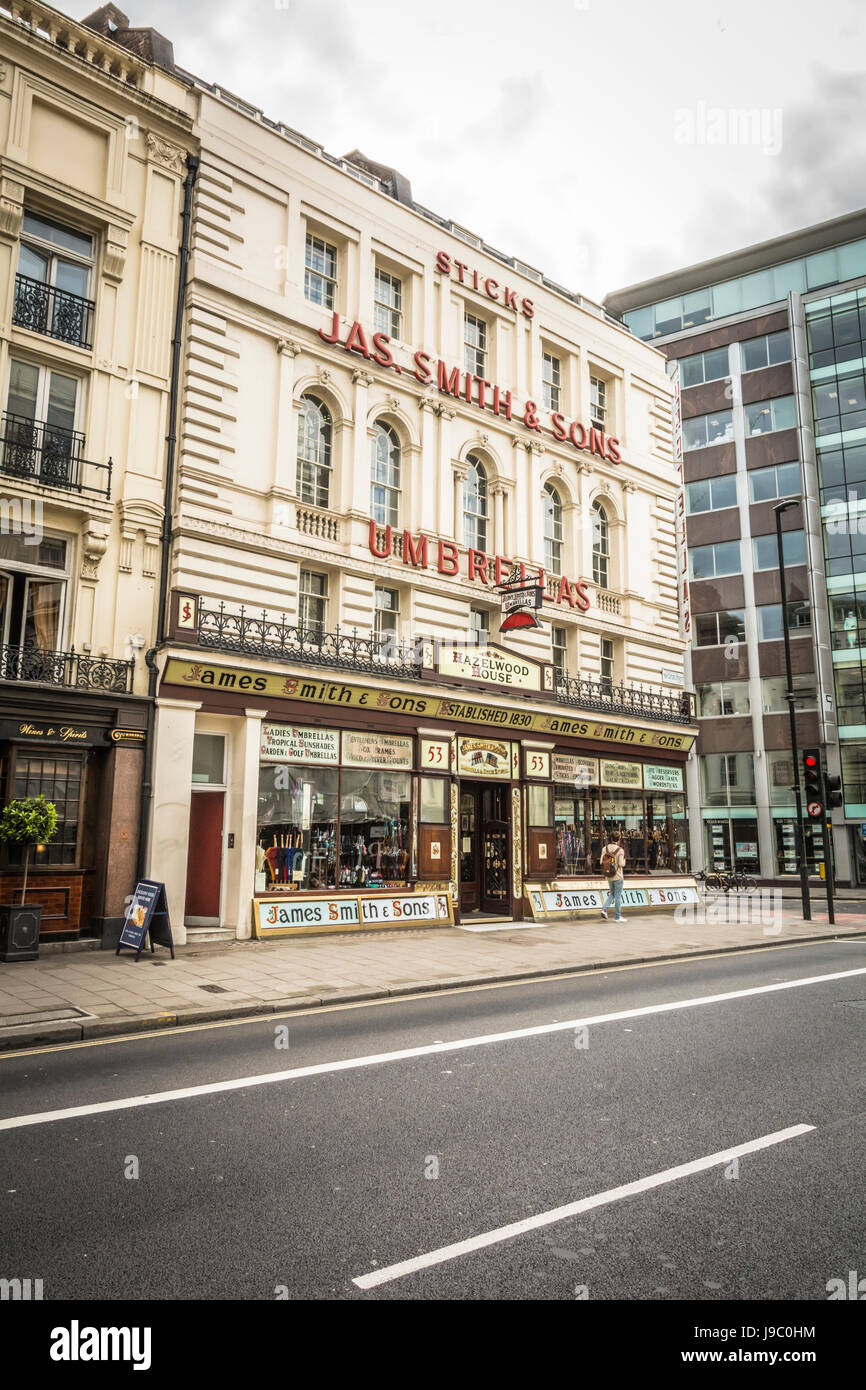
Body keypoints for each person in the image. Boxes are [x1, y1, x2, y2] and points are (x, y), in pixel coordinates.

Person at [600, 830, 627, 922]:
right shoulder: (620, 850)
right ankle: (617, 917)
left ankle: (604, 909)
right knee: (618, 896)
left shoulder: (605, 849)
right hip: (618, 876)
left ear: (610, 838)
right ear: (619, 839)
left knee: (612, 893)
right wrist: (624, 862)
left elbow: (601, 862)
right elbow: (620, 863)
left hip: (609, 875)